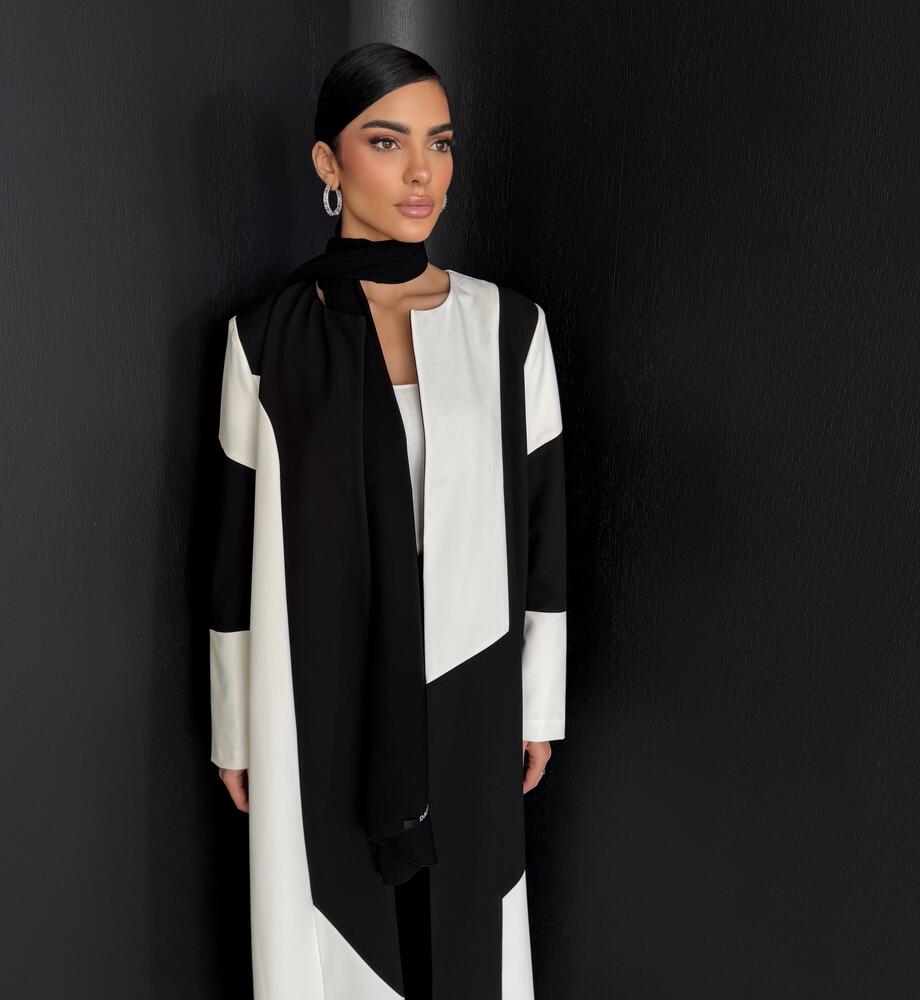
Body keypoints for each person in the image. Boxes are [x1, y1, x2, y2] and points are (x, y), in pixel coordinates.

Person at [207, 41, 567, 1000]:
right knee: (329, 922)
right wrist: (237, 729)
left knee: (472, 922)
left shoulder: (510, 329)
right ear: (328, 163)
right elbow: (234, 554)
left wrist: (537, 705)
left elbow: (542, 531)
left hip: (470, 675)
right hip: (318, 682)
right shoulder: (265, 341)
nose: (422, 172)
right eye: (386, 140)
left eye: (439, 142)